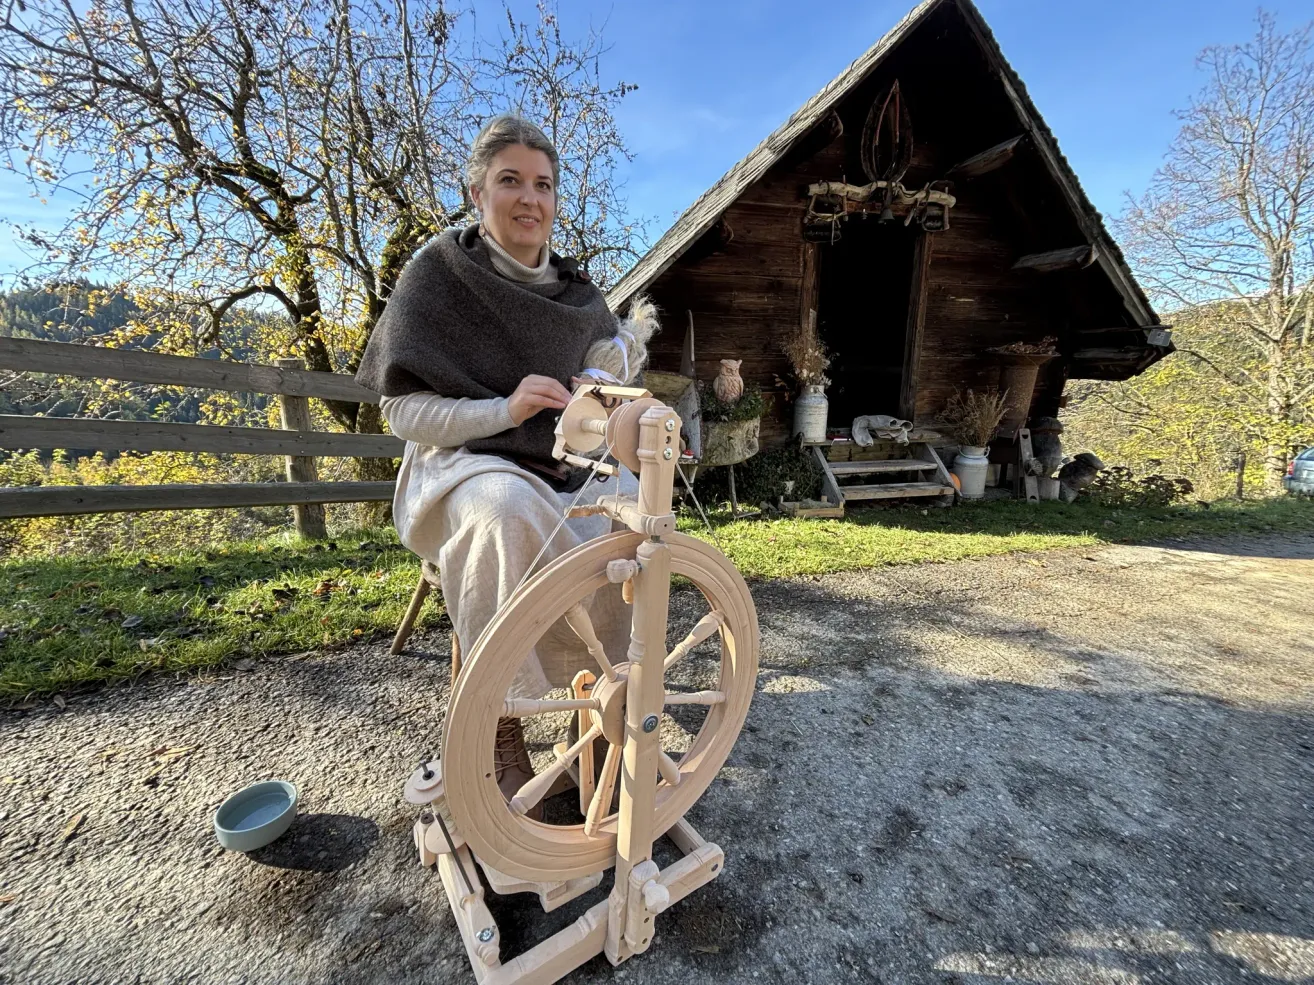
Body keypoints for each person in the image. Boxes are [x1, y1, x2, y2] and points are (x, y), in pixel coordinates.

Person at [355, 115, 657, 810]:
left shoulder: (577, 293)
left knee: (632, 513)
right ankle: (498, 718)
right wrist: (505, 409)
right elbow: (402, 411)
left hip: (562, 465)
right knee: (502, 509)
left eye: (544, 184)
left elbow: (613, 349)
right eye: (511, 181)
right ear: (476, 192)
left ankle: (603, 710)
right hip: (461, 464)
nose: (530, 198)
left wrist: (599, 374)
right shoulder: (438, 275)